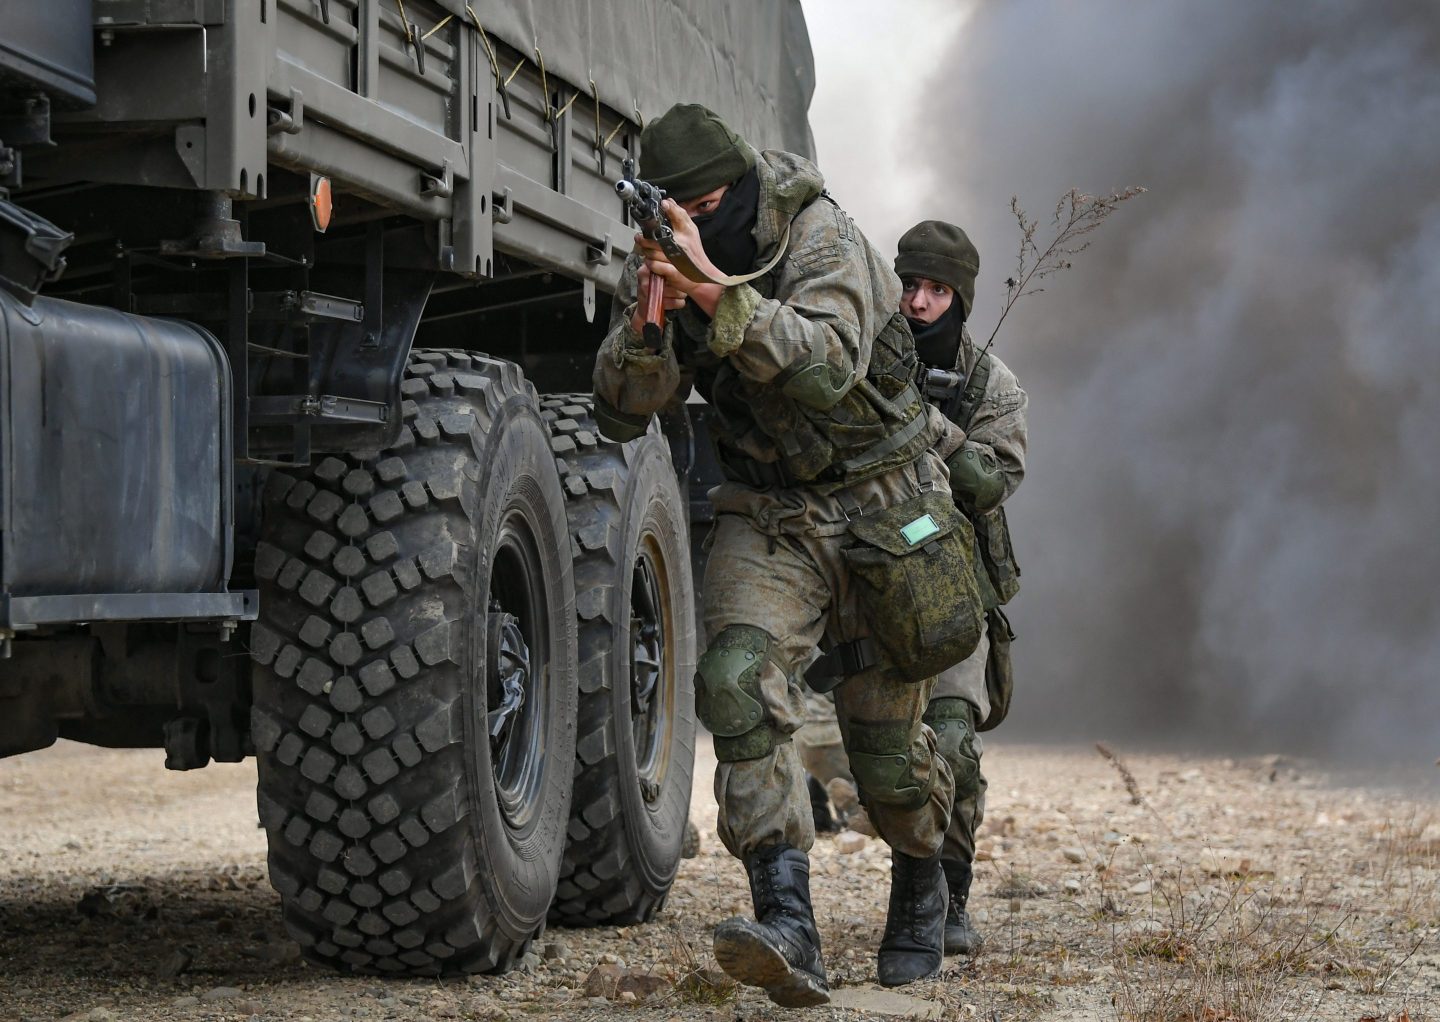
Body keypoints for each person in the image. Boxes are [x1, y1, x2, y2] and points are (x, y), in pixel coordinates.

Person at [592, 105, 980, 1004]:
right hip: (773, 514)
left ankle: (923, 878)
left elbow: (826, 367)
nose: (699, 222)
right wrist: (652, 320)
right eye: (683, 211)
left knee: (885, 756)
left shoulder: (818, 234)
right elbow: (621, 409)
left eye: (711, 205)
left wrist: (713, 290)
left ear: (741, 192)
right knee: (733, 679)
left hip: (886, 505)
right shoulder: (670, 256)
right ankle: (787, 917)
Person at [796, 220, 1029, 957]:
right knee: (881, 751)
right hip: (867, 584)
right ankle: (908, 888)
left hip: (950, 588)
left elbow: (993, 483)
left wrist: (928, 429)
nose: (920, 302)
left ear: (960, 297)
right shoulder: (857, 354)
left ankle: (945, 897)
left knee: (952, 747)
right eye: (910, 285)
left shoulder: (992, 384)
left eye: (937, 289)